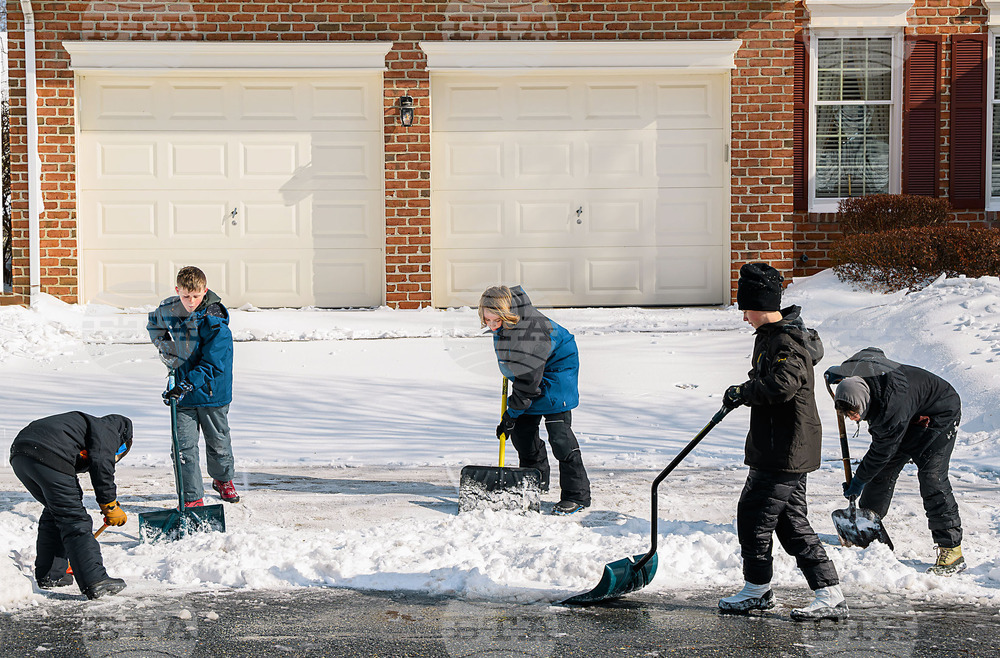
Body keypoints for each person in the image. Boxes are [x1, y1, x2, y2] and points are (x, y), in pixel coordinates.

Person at [719, 262, 847, 621]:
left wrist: (745, 391)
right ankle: (828, 593)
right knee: (790, 522)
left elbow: (783, 385)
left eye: (745, 308)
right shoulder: (774, 336)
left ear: (759, 305)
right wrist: (745, 388)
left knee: (753, 517)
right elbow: (771, 377)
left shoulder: (785, 338)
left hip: (784, 448)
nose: (743, 316)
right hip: (782, 445)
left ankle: (757, 591)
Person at [834, 348, 964, 575]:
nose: (853, 418)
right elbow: (872, 352)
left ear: (864, 401)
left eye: (854, 413)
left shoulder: (890, 407)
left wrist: (858, 481)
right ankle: (866, 527)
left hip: (939, 414)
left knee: (931, 477)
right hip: (910, 413)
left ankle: (951, 549)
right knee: (882, 472)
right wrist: (836, 373)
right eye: (848, 415)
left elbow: (880, 452)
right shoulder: (859, 375)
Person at [479, 285, 591, 515]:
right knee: (522, 433)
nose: (490, 326)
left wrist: (511, 413)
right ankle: (534, 482)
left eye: (494, 321)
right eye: (486, 320)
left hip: (557, 373)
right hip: (532, 372)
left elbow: (529, 382)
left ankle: (576, 494)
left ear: (507, 314)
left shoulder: (532, 332)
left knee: (560, 436)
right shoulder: (508, 323)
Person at [9, 412, 132, 599]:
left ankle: (52, 574)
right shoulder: (110, 430)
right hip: (48, 453)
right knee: (74, 518)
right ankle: (95, 580)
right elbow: (102, 465)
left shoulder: (87, 427)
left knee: (55, 511)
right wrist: (110, 505)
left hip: (21, 454)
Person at [147, 266, 240, 507]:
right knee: (183, 448)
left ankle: (222, 479)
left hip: (212, 392)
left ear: (204, 291)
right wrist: (166, 347)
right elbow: (154, 324)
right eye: (186, 296)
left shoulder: (215, 321)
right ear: (178, 290)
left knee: (218, 442)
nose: (191, 301)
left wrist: (186, 385)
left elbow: (213, 364)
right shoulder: (168, 309)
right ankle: (192, 498)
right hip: (183, 393)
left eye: (196, 296)